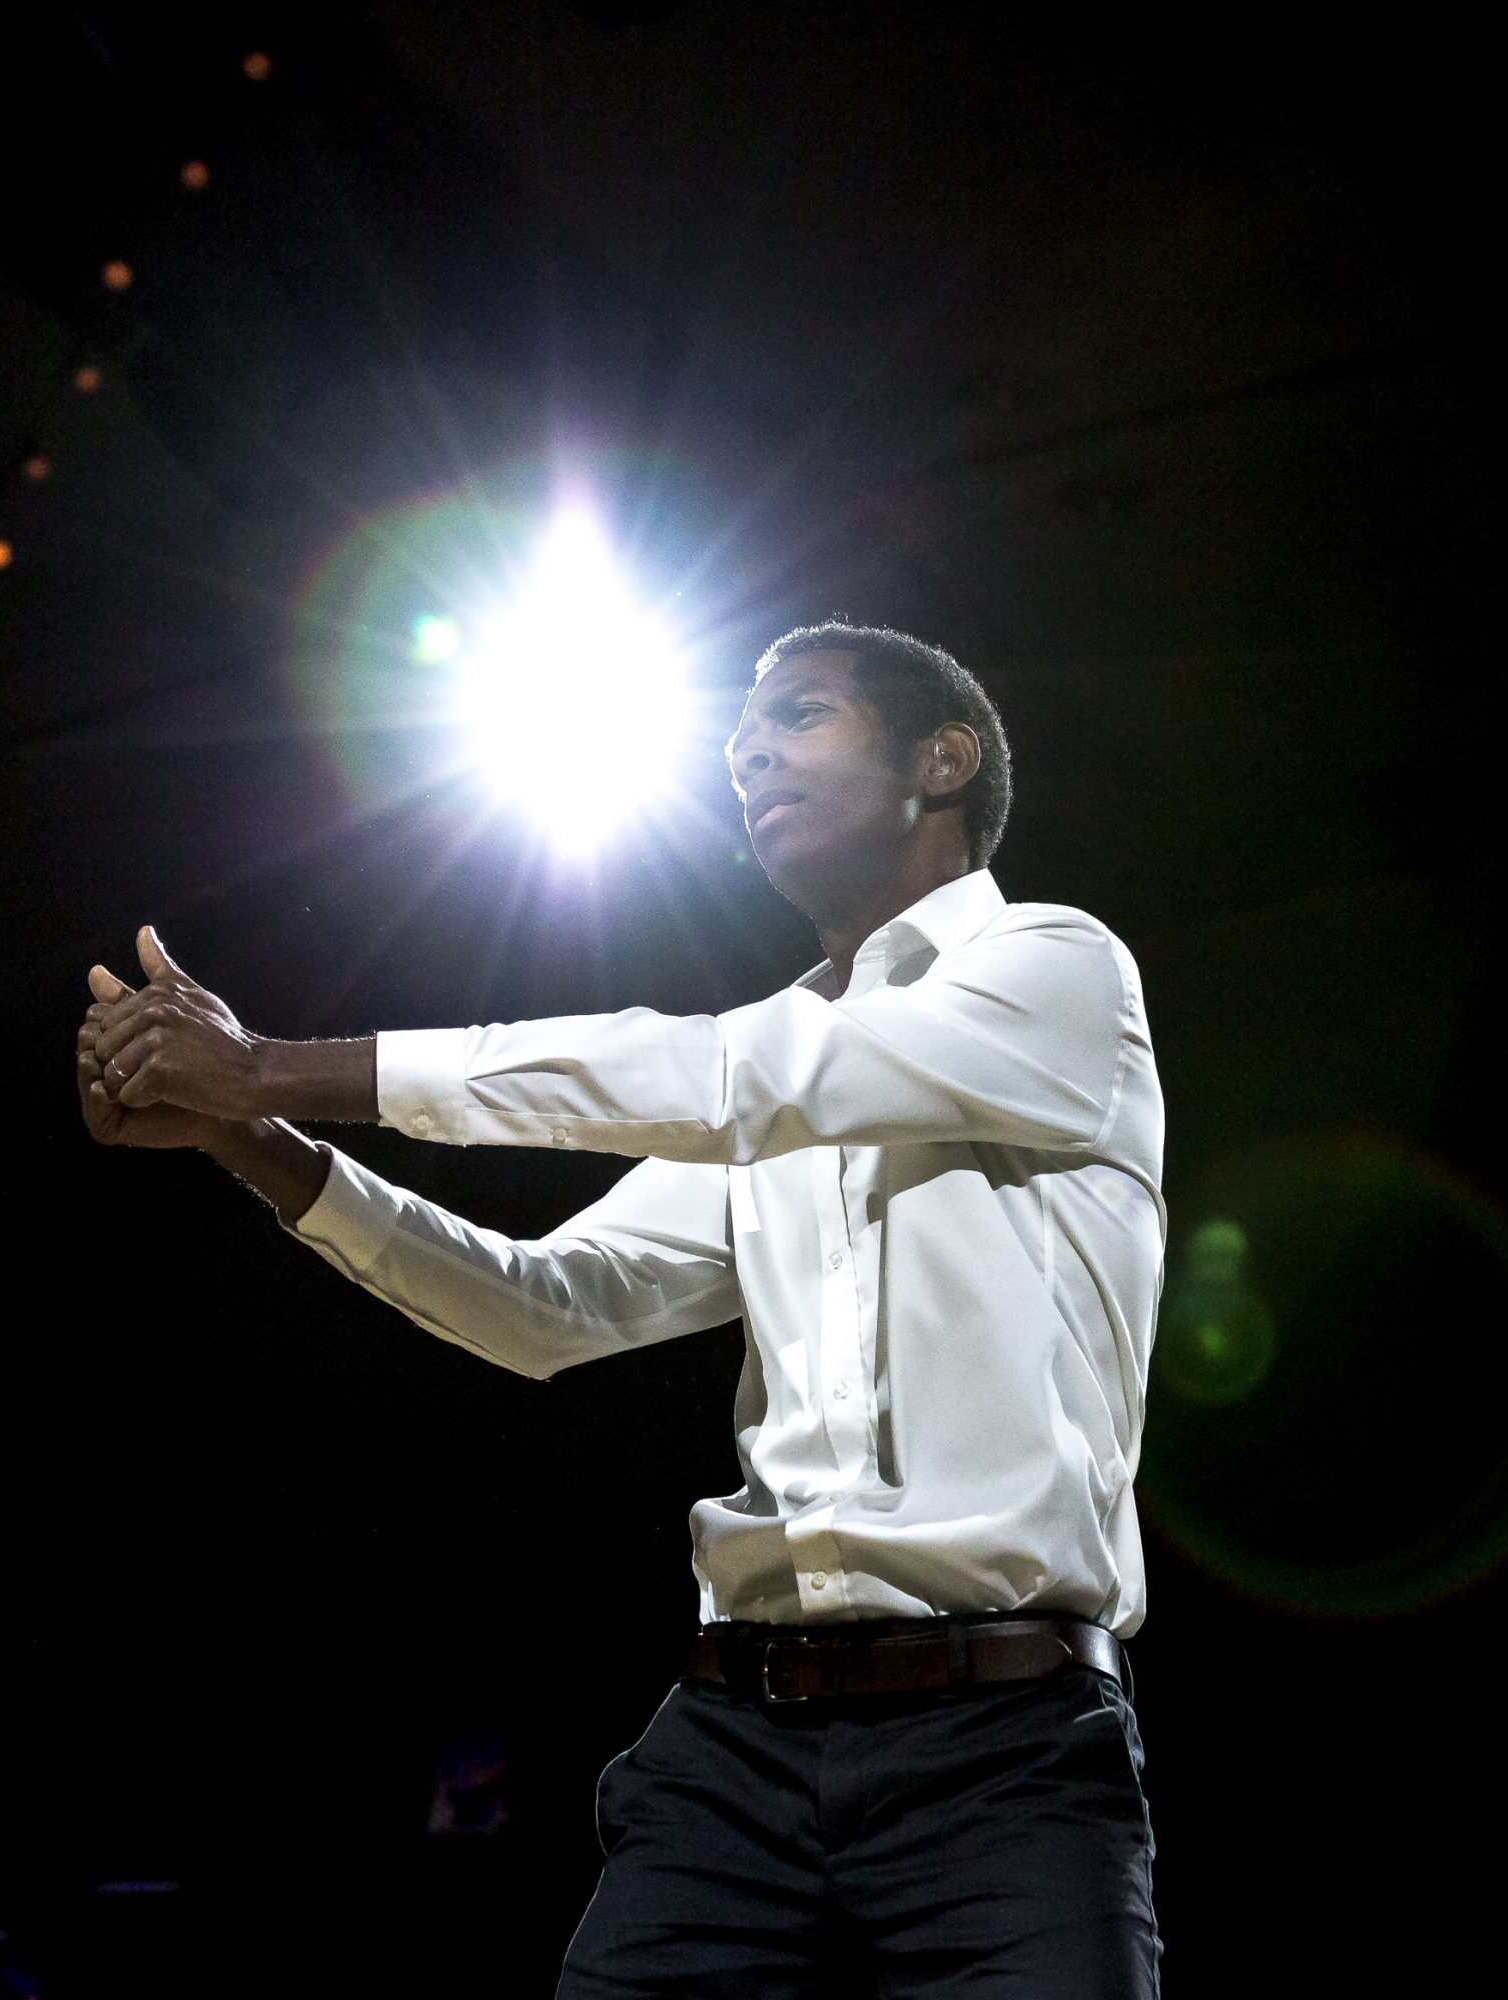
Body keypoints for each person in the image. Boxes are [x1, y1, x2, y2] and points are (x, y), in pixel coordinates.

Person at [76, 623, 1166, 1994]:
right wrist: (253, 1143)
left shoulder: (1056, 974)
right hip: (734, 1755)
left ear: (940, 761)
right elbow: (548, 1305)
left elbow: (730, 1077)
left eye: (799, 718)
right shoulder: (776, 1060)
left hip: (1007, 1751)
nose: (747, 750)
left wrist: (274, 1069)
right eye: (737, 741)